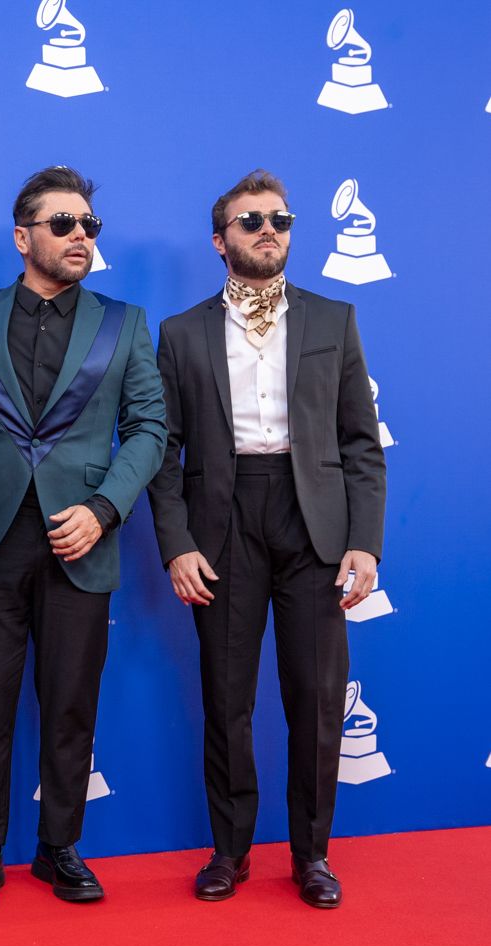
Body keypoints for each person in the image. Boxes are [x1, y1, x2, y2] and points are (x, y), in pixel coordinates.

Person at [147, 170, 385, 908]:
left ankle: (311, 856)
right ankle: (229, 851)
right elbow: (162, 449)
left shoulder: (331, 320)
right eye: (249, 221)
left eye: (279, 219)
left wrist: (364, 541)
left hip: (312, 519)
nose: (267, 230)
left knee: (315, 698)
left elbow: (359, 443)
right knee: (226, 699)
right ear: (220, 240)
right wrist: (176, 543)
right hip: (219, 524)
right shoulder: (180, 333)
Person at [0, 166, 166, 909]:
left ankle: (58, 846)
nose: (81, 237)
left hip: (81, 537)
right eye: (63, 224)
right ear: (22, 237)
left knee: (70, 700)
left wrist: (103, 508)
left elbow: (149, 428)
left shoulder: (123, 321)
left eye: (89, 226)